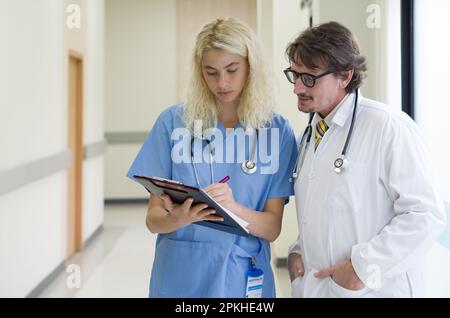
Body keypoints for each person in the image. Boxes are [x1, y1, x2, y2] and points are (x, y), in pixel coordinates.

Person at [127, 17, 298, 297]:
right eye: (211, 72)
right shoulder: (173, 123)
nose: (222, 82)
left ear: (250, 67)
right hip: (180, 276)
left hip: (242, 276)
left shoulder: (275, 131)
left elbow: (272, 228)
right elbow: (153, 219)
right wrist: (179, 218)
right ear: (199, 73)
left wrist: (233, 208)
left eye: (232, 69)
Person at [284, 21, 446, 297]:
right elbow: (329, 210)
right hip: (317, 286)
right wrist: (298, 251)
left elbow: (425, 215)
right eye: (294, 74)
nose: (298, 88)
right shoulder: (311, 133)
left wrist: (361, 268)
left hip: (372, 288)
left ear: (345, 76)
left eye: (309, 77)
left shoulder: (388, 126)